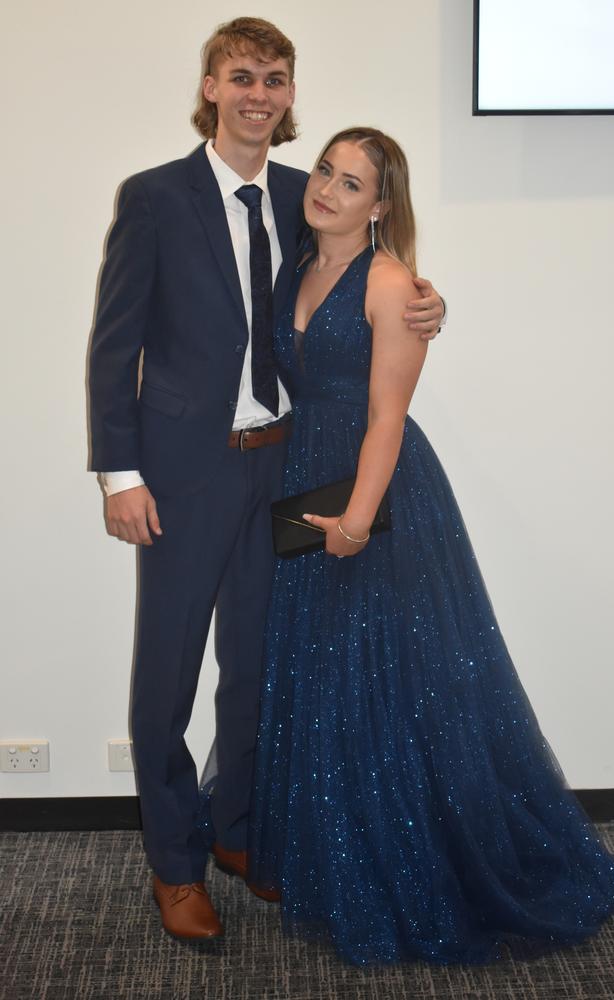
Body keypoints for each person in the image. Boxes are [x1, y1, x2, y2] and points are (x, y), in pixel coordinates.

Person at [87, 19, 445, 941]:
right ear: (210, 86)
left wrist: (425, 299)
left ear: (290, 96)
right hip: (180, 476)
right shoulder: (156, 197)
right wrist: (119, 473)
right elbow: (113, 344)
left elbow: (364, 276)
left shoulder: (305, 195)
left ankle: (237, 828)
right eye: (241, 75)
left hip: (283, 469)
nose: (258, 93)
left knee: (256, 668)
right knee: (165, 673)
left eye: (275, 79)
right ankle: (174, 861)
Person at [245, 127, 614, 966]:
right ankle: (337, 856)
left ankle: (411, 870)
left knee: (385, 680)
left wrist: (355, 520)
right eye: (325, 171)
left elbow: (387, 417)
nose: (327, 190)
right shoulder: (298, 263)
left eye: (352, 185)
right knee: (322, 675)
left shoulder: (391, 284)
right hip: (305, 477)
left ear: (381, 207)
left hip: (375, 495)